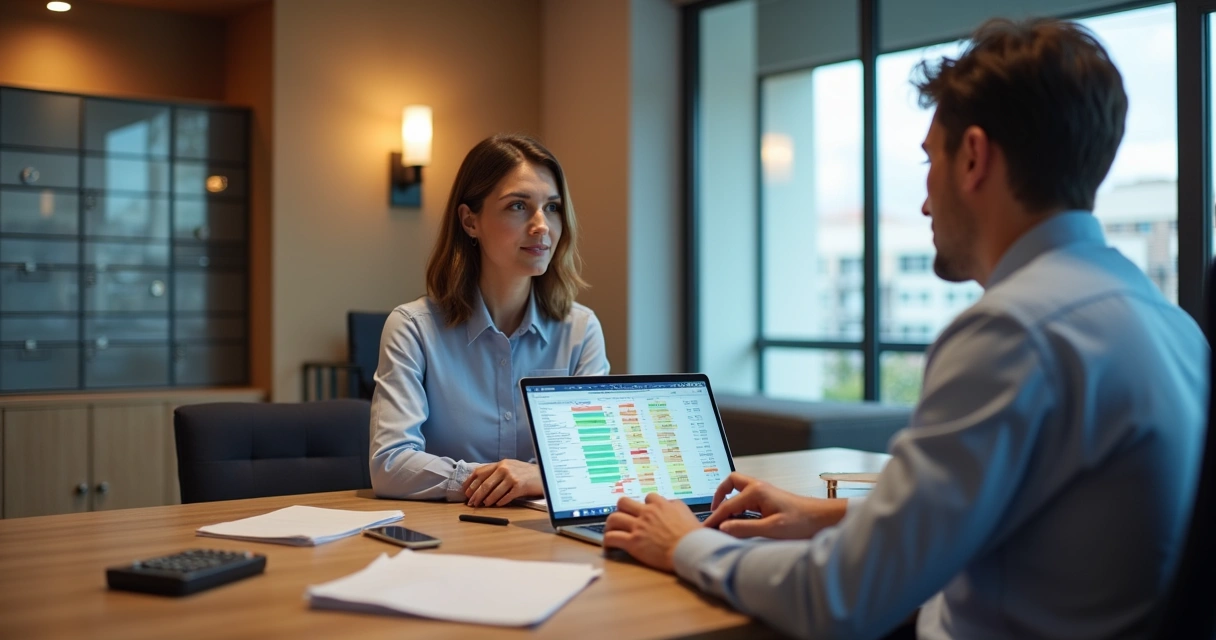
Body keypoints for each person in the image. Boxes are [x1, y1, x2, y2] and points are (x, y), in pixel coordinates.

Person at [604, 18, 1207, 640]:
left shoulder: (1013, 333)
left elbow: (840, 599)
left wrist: (682, 544)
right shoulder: (1172, 328)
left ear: (972, 156)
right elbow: (1026, 514)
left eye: (928, 160)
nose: (923, 202)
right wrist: (827, 515)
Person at [370, 134, 609, 506]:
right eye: (518, 206)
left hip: (544, 540)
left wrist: (536, 477)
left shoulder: (581, 330)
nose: (542, 225)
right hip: (451, 538)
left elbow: (597, 462)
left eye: (552, 207)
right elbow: (391, 464)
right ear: (469, 221)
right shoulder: (412, 329)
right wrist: (508, 480)